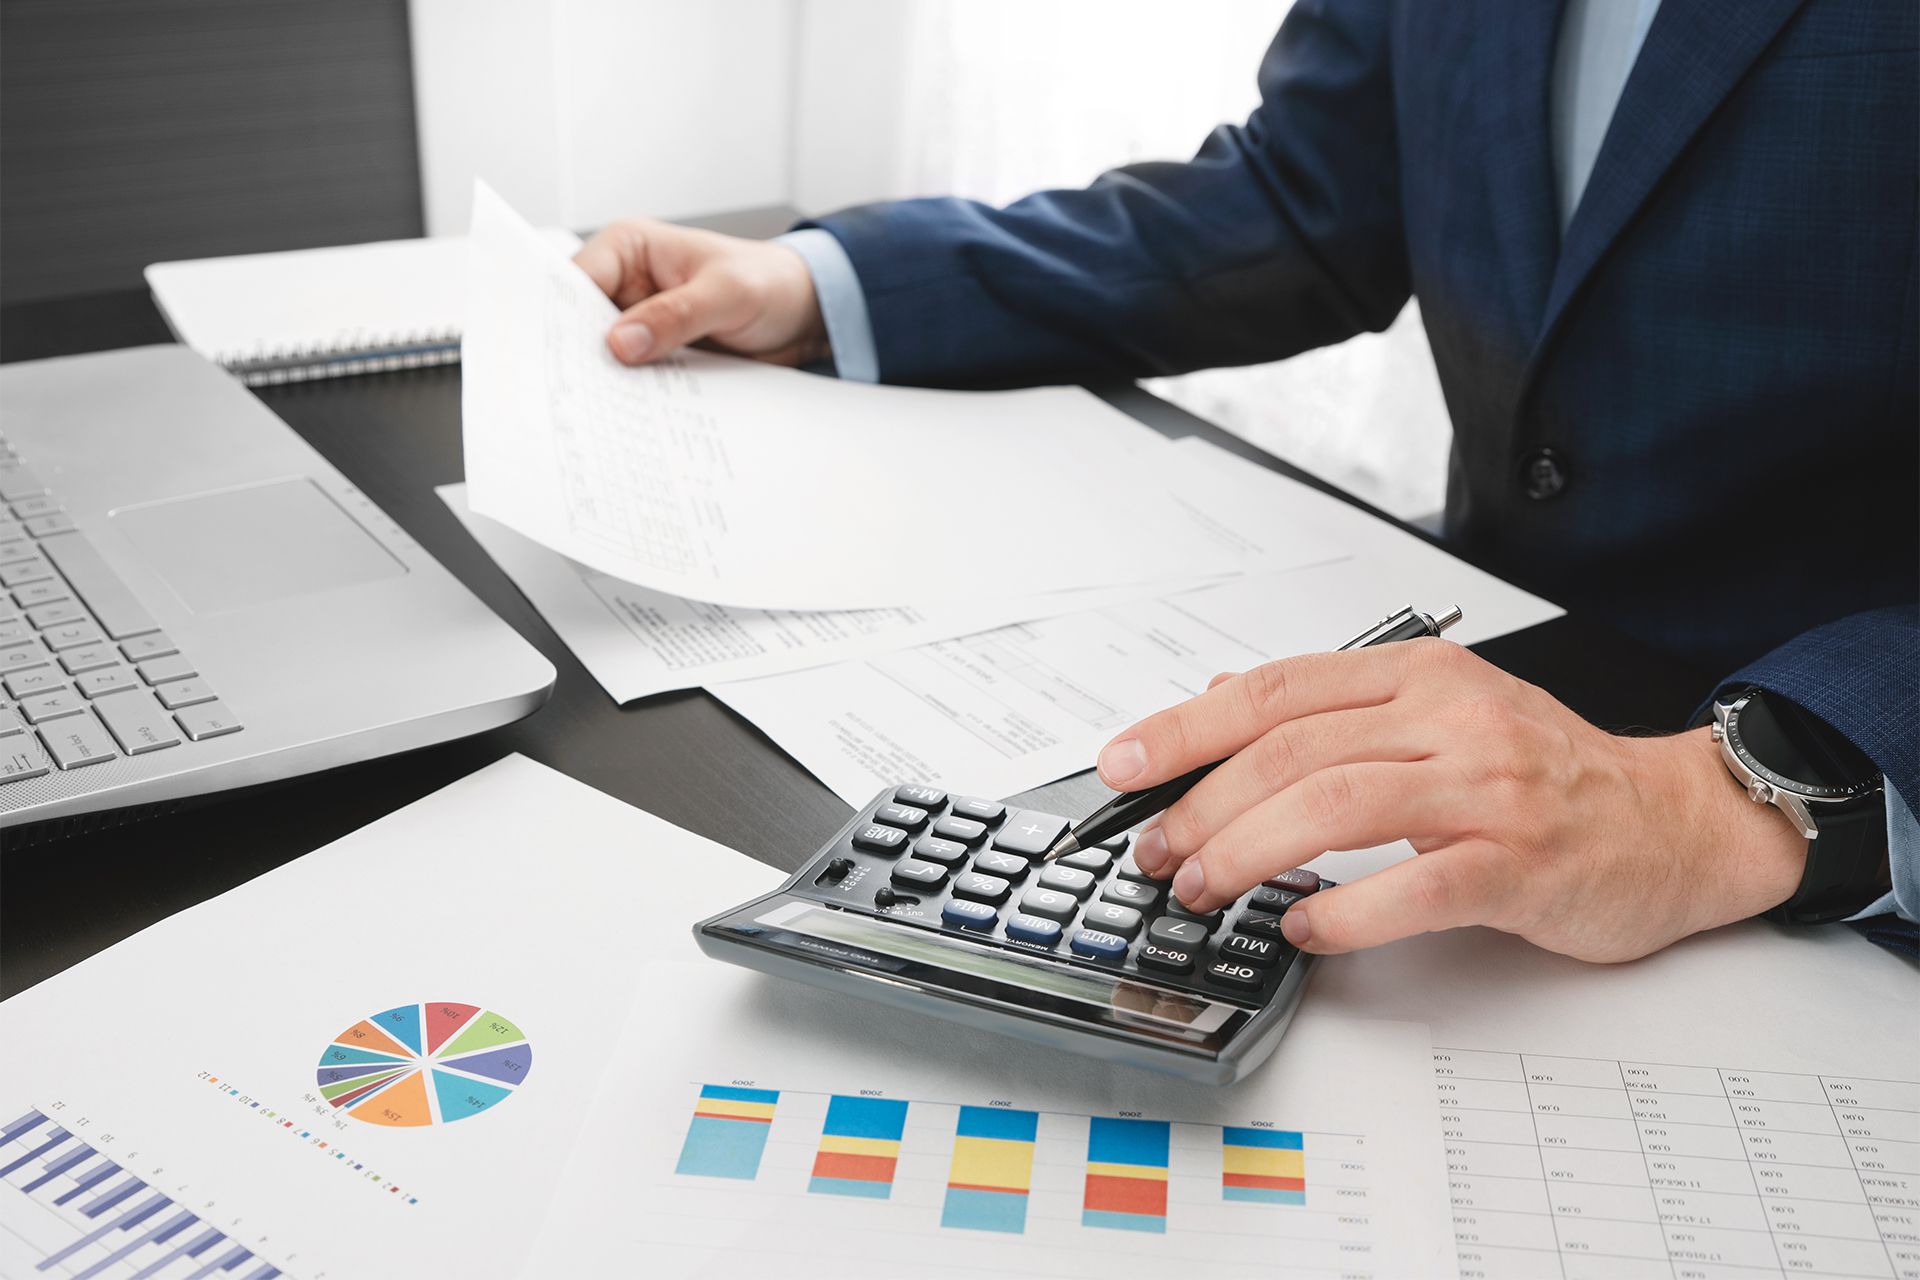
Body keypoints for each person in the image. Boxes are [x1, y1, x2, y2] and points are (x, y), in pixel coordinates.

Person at [574, 0, 1917, 961]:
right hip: (1468, 710)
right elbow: (1298, 203)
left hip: (1836, 829)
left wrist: (1719, 808)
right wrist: (827, 287)